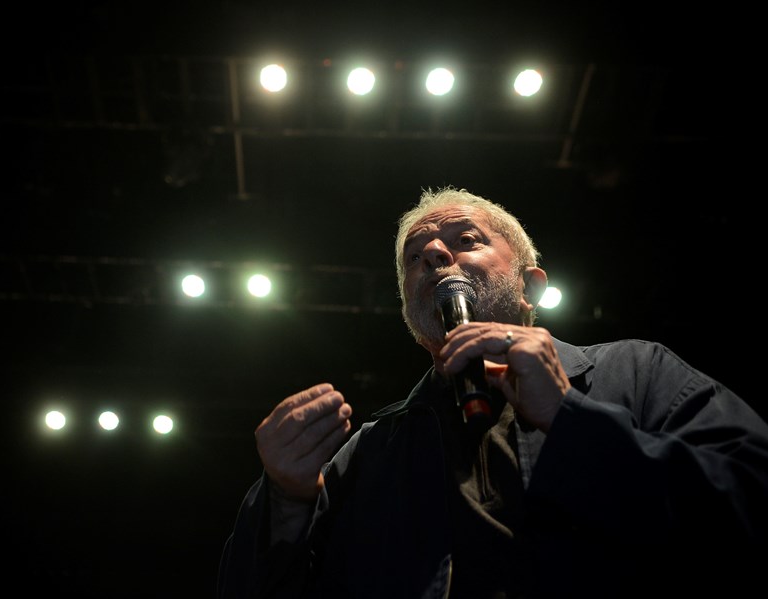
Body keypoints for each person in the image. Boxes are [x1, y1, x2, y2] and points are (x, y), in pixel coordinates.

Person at [216, 186, 768, 598]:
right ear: (411, 316)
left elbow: (746, 497)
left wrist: (570, 418)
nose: (434, 255)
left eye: (465, 241)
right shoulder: (369, 452)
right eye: (415, 257)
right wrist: (285, 500)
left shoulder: (636, 372)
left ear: (530, 285)